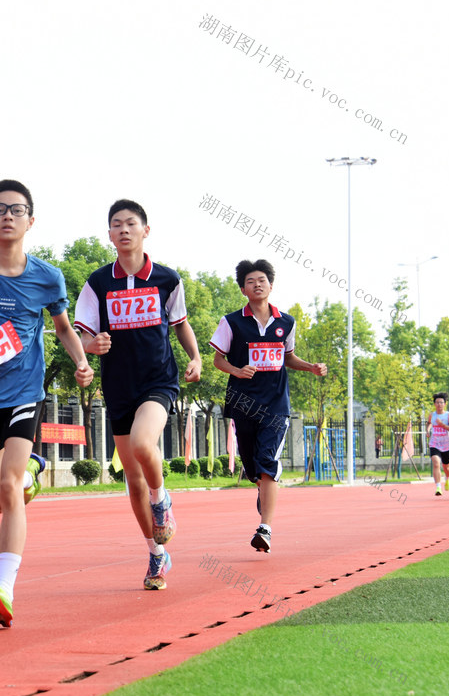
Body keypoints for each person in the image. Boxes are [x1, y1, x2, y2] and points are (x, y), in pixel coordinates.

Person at [0, 179, 93, 627]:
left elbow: (64, 328)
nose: (8, 216)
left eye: (17, 210)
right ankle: (31, 469)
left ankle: (4, 590)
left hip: (25, 393)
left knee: (10, 490)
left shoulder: (47, 276)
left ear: (31, 220)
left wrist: (82, 362)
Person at [73, 199, 201, 590]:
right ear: (109, 235)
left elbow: (180, 324)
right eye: (116, 224)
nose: (124, 229)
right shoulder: (98, 283)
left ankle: (162, 502)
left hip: (158, 380)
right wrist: (88, 352)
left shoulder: (167, 279)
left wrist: (195, 357)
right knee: (132, 479)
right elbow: (83, 334)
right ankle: (156, 554)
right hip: (118, 386)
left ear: (146, 231)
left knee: (146, 445)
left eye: (131, 223)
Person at [210, 259, 326, 553]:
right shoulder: (231, 322)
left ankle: (265, 528)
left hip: (276, 404)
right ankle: (263, 486)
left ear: (271, 285)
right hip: (242, 402)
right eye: (251, 281)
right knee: (253, 468)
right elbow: (218, 359)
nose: (257, 284)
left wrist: (310, 367)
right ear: (242, 289)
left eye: (262, 279)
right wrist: (237, 370)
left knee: (267, 462)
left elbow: (288, 357)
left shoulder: (286, 322)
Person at [427, 392, 449, 497]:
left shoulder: (448, 415)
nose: (439, 404)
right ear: (434, 404)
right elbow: (429, 423)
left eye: (441, 402)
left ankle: (447, 478)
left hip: (446, 444)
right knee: (436, 462)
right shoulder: (432, 415)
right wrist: (428, 430)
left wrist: (442, 425)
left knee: (446, 466)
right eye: (437, 402)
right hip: (434, 443)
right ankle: (438, 486)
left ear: (445, 403)